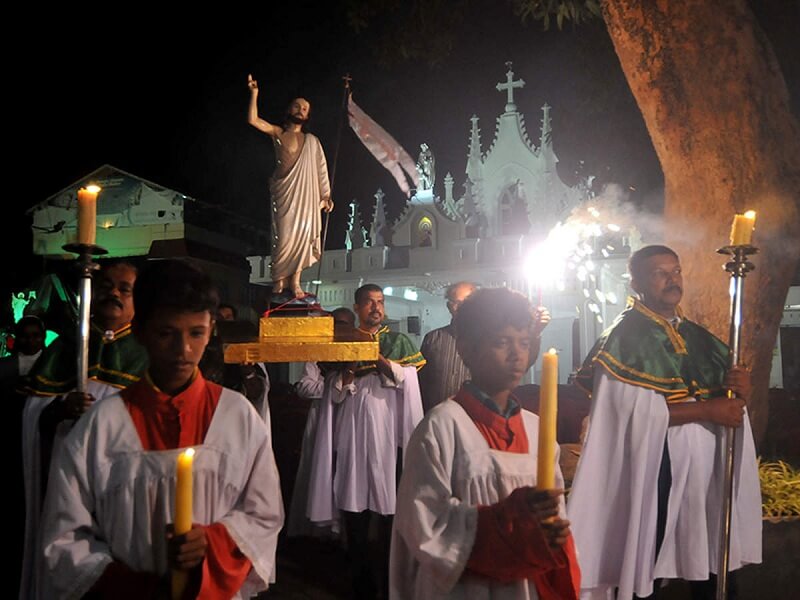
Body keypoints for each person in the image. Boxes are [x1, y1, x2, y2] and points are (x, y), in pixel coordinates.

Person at [39, 259, 284, 599]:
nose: (183, 350)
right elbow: (64, 536)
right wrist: (133, 588)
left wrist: (212, 543)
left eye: (196, 333)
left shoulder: (236, 417)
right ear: (140, 330)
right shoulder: (103, 425)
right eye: (166, 333)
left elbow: (264, 514)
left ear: (211, 329)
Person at [567, 245, 762, 600]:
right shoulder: (623, 338)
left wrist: (740, 391)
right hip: (656, 467)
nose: (673, 280)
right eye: (660, 273)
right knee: (647, 562)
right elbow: (626, 416)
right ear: (636, 282)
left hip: (707, 470)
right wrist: (707, 412)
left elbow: (726, 400)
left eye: (676, 271)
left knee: (711, 561)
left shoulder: (698, 336)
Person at [390, 287, 580, 599]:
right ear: (466, 348)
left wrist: (552, 534)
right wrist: (508, 519)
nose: (516, 354)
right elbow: (423, 524)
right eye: (502, 342)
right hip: (467, 587)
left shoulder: (536, 431)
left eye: (523, 342)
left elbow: (555, 518)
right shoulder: (441, 427)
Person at [19, 260, 148, 600]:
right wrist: (60, 409)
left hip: (123, 486)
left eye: (125, 288)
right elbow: (34, 415)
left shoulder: (148, 353)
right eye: (106, 286)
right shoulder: (67, 345)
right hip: (66, 482)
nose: (114, 294)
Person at [308, 284, 425, 600]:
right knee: (353, 506)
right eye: (370, 303)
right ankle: (360, 584)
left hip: (387, 436)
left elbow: (410, 380)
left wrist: (382, 361)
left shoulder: (396, 341)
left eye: (380, 302)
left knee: (388, 511)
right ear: (358, 307)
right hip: (352, 433)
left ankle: (390, 583)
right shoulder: (342, 341)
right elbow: (332, 391)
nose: (376, 307)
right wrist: (347, 371)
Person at [247, 73, 333, 298]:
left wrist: (325, 195)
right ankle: (279, 281)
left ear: (308, 115)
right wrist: (254, 94)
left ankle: (295, 282)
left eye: (305, 109)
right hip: (284, 192)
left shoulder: (312, 141)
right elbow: (253, 120)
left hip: (306, 196)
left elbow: (321, 169)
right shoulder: (278, 133)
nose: (300, 110)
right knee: (283, 237)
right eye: (297, 106)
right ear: (289, 110)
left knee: (303, 238)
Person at [288, 306, 356, 538]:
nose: (339, 329)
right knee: (317, 470)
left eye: (345, 325)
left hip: (349, 419)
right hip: (320, 420)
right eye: (336, 324)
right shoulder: (317, 351)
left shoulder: (356, 352)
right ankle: (316, 530)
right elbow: (304, 388)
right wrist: (335, 385)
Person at [1, 315, 46, 599]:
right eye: (25, 336)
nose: (30, 341)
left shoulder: (53, 366)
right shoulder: (4, 369)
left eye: (35, 336)